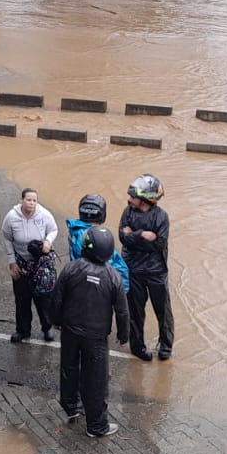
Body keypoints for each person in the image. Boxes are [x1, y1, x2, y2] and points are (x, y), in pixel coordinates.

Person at [55, 224, 130, 439]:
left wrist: (56, 320)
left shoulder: (71, 268)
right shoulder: (113, 277)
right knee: (96, 380)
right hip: (96, 337)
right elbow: (122, 312)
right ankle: (96, 426)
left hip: (70, 330)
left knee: (69, 368)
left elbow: (57, 297)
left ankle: (71, 406)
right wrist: (123, 336)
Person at [119, 173, 173, 362]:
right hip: (134, 271)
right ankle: (137, 347)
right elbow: (122, 237)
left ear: (143, 200)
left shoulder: (161, 217)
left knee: (163, 311)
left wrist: (133, 235)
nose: (128, 199)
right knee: (135, 312)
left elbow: (158, 244)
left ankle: (166, 346)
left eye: (132, 196)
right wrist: (143, 234)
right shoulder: (128, 212)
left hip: (157, 271)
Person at [1, 187, 58, 343]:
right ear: (21, 200)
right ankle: (23, 330)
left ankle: (47, 327)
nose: (31, 203)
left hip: (40, 262)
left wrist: (48, 241)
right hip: (21, 262)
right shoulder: (11, 217)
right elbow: (7, 239)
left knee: (43, 298)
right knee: (21, 298)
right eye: (28, 199)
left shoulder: (45, 215)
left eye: (34, 200)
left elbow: (53, 230)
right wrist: (12, 262)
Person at [66, 194, 129, 293]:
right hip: (97, 288)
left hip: (81, 282)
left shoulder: (75, 230)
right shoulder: (98, 238)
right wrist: (123, 291)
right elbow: (116, 266)